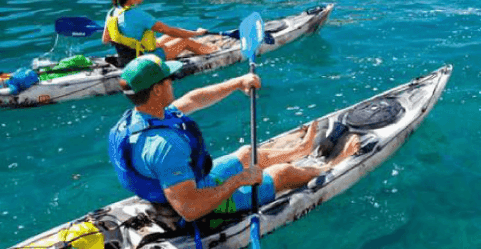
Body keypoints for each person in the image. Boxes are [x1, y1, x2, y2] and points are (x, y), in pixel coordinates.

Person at [108, 54, 360, 223]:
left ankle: (301, 150)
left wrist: (238, 82)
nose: (173, 83)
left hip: (191, 183)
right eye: (169, 79)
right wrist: (238, 180)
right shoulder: (163, 147)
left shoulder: (139, 118)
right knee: (282, 174)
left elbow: (194, 99)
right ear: (156, 90)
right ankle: (331, 166)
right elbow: (190, 209)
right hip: (191, 204)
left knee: (245, 153)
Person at [102, 0, 218, 67]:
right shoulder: (139, 15)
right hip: (144, 60)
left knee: (168, 38)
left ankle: (203, 46)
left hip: (126, 58)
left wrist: (125, 34)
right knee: (184, 41)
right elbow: (170, 30)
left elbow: (105, 39)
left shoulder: (112, 13)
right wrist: (197, 33)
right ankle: (214, 51)